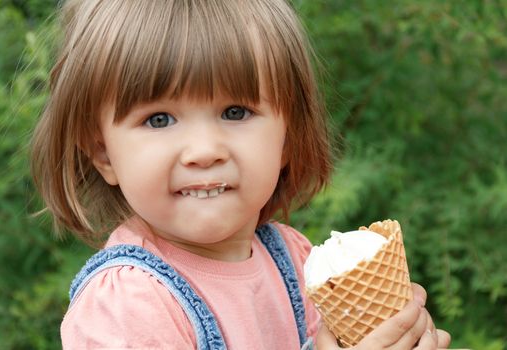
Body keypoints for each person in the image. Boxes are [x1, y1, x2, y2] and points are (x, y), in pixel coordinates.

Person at [31, 0, 451, 349]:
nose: (205, 151)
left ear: (288, 136)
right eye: (159, 119)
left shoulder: (295, 259)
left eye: (236, 112)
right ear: (103, 152)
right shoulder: (127, 305)